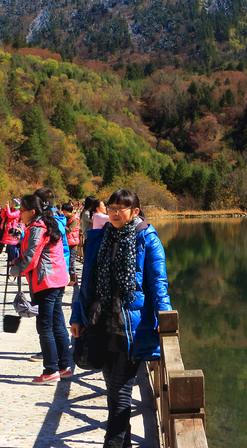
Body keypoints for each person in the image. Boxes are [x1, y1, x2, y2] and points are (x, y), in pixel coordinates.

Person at [71, 190, 171, 448]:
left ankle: (112, 444)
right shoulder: (100, 237)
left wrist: (165, 315)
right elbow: (87, 283)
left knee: (121, 392)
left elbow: (158, 282)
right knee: (113, 393)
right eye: (112, 207)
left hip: (131, 329)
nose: (115, 213)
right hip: (101, 324)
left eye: (121, 208)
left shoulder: (147, 239)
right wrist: (76, 316)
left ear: (135, 211)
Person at [11, 192, 72, 384]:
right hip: (58, 279)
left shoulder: (37, 227)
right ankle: (64, 367)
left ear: (32, 211)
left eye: (21, 211)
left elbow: (31, 257)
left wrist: (15, 269)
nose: (19, 214)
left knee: (45, 327)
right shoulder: (50, 222)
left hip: (46, 281)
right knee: (58, 325)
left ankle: (50, 370)